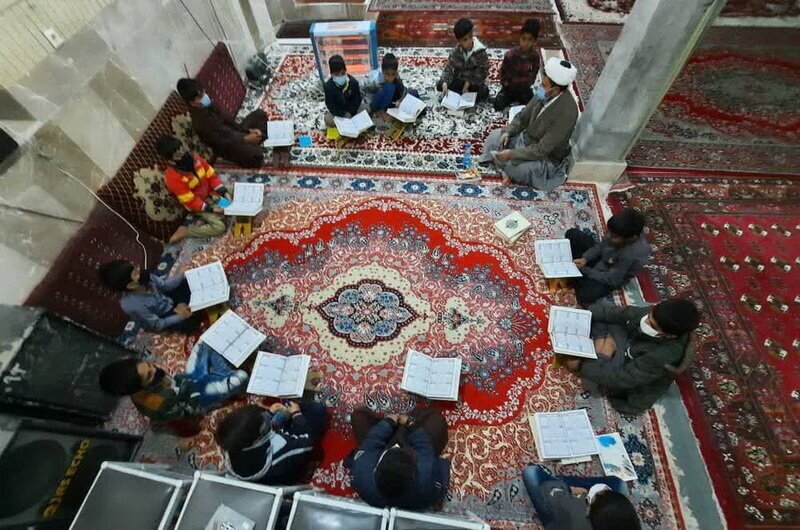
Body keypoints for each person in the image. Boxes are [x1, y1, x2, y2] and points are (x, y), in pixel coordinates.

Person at [564, 299, 700, 415]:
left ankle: (604, 351)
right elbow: (621, 313)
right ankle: (604, 346)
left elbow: (621, 378)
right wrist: (583, 314)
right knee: (603, 313)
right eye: (649, 316)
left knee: (602, 368)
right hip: (631, 343)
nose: (646, 322)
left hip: (632, 372)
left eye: (652, 325)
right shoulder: (656, 314)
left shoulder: (663, 356)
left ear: (669, 336)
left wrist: (581, 366)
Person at [481, 57, 579, 190]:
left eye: (544, 85)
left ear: (556, 90)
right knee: (494, 137)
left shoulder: (567, 112)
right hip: (526, 138)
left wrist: (511, 154)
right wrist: (509, 132)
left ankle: (504, 169)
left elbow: (542, 150)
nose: (540, 87)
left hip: (545, 157)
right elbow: (522, 117)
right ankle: (504, 168)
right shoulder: (543, 93)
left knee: (519, 169)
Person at [99, 344, 247, 428]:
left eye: (149, 365)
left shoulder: (150, 379)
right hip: (194, 398)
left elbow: (176, 379)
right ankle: (224, 379)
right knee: (242, 376)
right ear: (139, 388)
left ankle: (221, 375)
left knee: (205, 343)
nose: (154, 369)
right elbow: (185, 412)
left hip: (185, 380)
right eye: (149, 375)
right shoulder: (159, 404)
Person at [345, 407, 450, 510]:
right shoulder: (426, 477)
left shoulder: (362, 475)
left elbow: (371, 443)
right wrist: (410, 423)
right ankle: (413, 415)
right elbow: (424, 448)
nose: (397, 446)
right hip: (410, 447)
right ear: (414, 474)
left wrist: (388, 422)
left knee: (359, 416)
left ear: (376, 469)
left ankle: (393, 424)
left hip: (386, 446)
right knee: (436, 420)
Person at [216, 401, 328, 484]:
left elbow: (254, 431)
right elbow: (307, 443)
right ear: (261, 435)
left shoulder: (233, 443)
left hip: (265, 465)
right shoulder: (281, 445)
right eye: (263, 420)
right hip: (282, 465)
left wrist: (269, 413)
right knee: (317, 410)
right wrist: (296, 414)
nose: (265, 417)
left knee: (282, 416)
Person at [565, 208, 651, 305]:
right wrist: (585, 258)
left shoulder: (630, 254)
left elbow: (612, 279)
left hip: (610, 275)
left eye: (614, 236)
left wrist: (584, 270)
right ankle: (579, 274)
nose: (608, 236)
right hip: (604, 258)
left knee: (585, 295)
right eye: (608, 232)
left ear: (631, 239)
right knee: (572, 234)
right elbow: (601, 246)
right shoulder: (618, 234)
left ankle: (578, 276)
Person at [177, 77, 267, 168]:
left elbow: (229, 121)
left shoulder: (208, 105)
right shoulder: (200, 123)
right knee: (257, 155)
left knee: (260, 114)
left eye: (204, 92)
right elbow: (225, 139)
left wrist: (248, 130)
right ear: (192, 102)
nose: (205, 96)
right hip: (228, 146)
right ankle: (256, 141)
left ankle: (258, 138)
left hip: (235, 133)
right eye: (200, 96)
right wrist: (245, 138)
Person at [156, 135, 229, 243]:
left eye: (182, 148)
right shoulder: (173, 178)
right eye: (178, 154)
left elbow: (211, 175)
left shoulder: (195, 159)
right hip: (200, 204)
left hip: (211, 193)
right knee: (220, 227)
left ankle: (223, 202)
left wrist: (223, 192)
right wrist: (213, 210)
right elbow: (190, 201)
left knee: (237, 189)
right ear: (170, 160)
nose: (183, 153)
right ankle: (185, 232)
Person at [522, 464, 641, 529]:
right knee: (620, 485)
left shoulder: (575, 511)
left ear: (589, 512)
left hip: (563, 517)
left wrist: (570, 490)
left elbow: (549, 490)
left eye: (590, 501)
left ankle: (561, 480)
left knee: (530, 473)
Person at [98, 259, 201, 333]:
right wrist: (179, 316)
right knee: (190, 322)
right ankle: (186, 309)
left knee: (190, 282)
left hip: (165, 298)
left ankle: (185, 305)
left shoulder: (144, 276)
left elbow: (164, 286)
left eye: (135, 267)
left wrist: (182, 275)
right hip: (162, 316)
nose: (139, 270)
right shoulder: (132, 305)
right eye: (135, 273)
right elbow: (157, 324)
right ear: (131, 285)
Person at [436, 18, 490, 102]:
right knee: (440, 85)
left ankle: (461, 94)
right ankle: (458, 94)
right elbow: (448, 68)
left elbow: (483, 72)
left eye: (469, 38)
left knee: (482, 92)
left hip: (473, 82)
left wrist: (469, 83)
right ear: (459, 41)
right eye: (464, 40)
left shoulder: (480, 52)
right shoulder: (456, 51)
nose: (467, 42)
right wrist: (445, 82)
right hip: (460, 80)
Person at [494, 18, 541, 112]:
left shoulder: (535, 57)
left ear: (534, 41)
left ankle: (517, 105)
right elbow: (503, 75)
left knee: (533, 106)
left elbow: (533, 77)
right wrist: (508, 84)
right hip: (509, 88)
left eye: (530, 40)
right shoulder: (510, 55)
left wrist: (522, 84)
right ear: (519, 38)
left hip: (524, 89)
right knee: (498, 104)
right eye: (523, 39)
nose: (526, 43)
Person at [323, 55, 366, 128]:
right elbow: (331, 106)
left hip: (353, 112)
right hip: (339, 115)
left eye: (342, 73)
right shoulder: (328, 87)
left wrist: (350, 113)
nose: (340, 76)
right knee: (327, 119)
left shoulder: (353, 82)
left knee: (366, 108)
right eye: (337, 74)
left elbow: (357, 100)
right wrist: (342, 114)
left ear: (346, 71)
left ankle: (347, 123)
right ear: (331, 74)